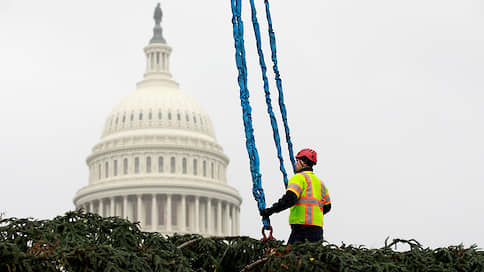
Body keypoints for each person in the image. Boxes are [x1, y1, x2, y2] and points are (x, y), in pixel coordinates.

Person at [260, 148, 331, 244]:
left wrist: (269, 211)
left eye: (297, 161)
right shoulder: (321, 184)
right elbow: (327, 207)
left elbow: (289, 199)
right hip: (317, 232)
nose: (295, 163)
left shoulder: (298, 178)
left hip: (301, 231)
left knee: (290, 256)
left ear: (304, 162)